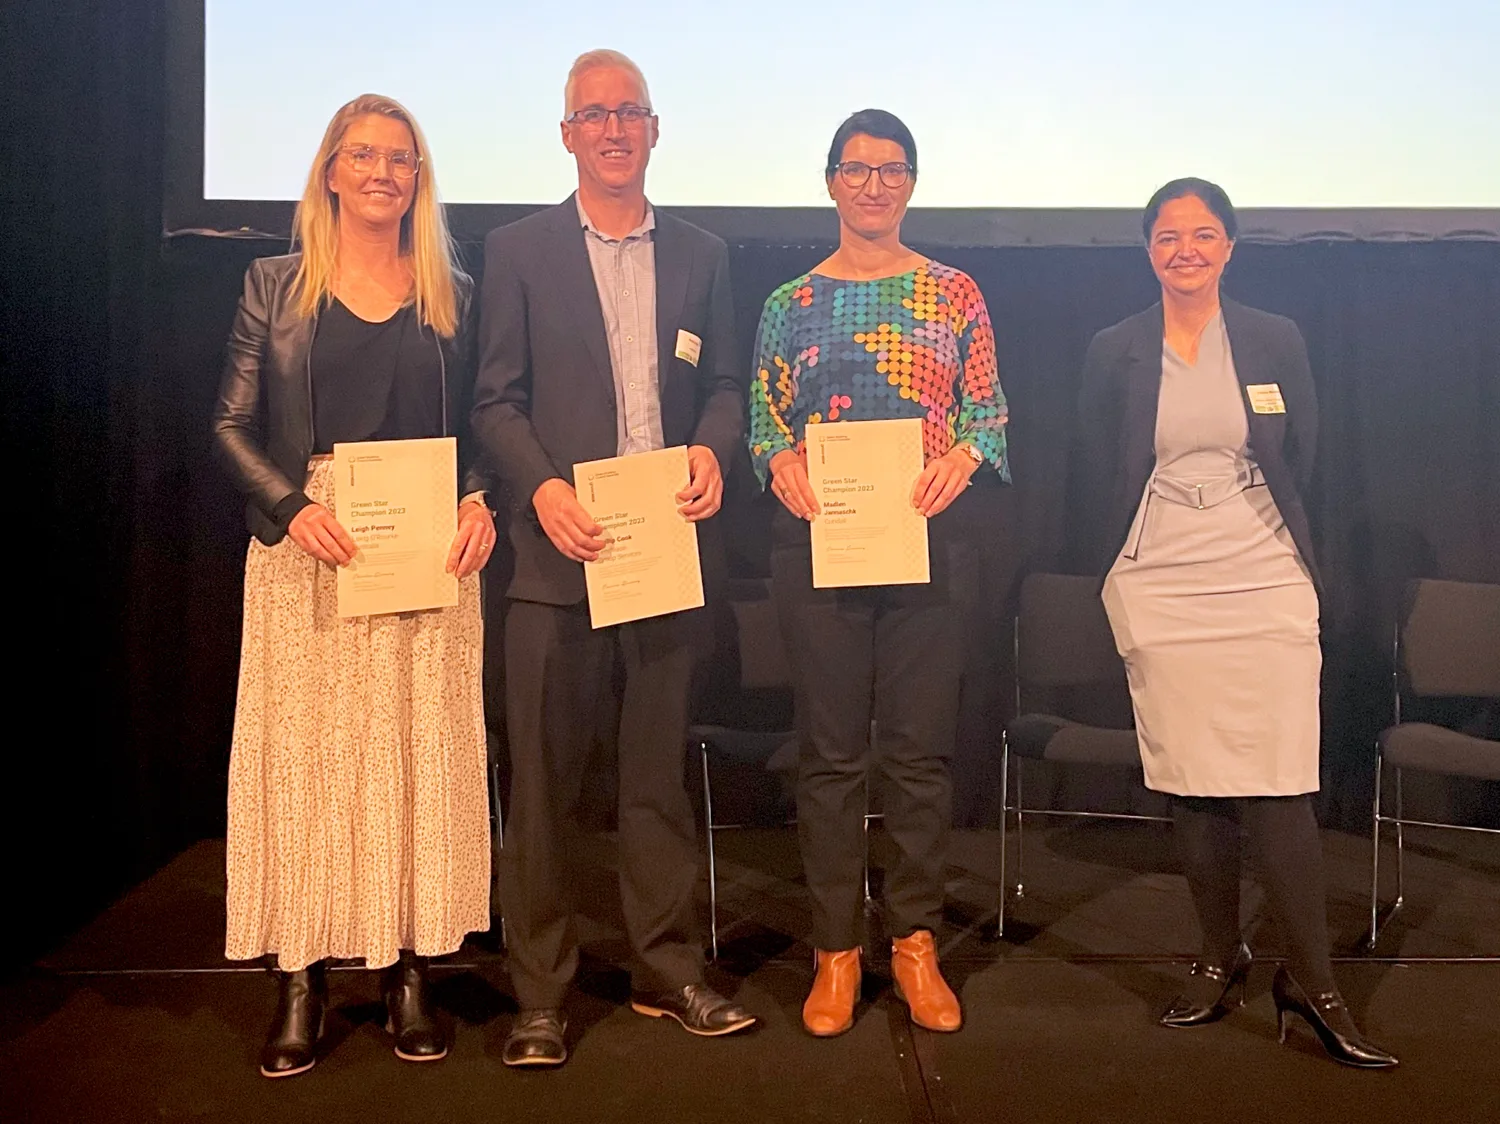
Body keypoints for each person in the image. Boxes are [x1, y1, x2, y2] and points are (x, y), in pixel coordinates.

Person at [1073, 177, 1397, 1068]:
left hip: (1260, 561)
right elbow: (1101, 457)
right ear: (1148, 249)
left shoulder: (1272, 338)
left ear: (1229, 246)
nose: (1186, 249)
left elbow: (1304, 449)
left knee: (1281, 775)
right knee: (1193, 774)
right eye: (1169, 236)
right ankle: (1220, 957)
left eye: (1204, 234)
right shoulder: (1115, 349)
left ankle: (1316, 985)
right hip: (1162, 567)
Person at [471, 49, 753, 1068]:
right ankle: (539, 993)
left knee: (656, 780)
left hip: (664, 553)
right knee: (542, 786)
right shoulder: (517, 249)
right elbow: (493, 399)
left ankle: (668, 967)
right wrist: (542, 488)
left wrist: (716, 452)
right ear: (566, 135)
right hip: (555, 563)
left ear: (655, 128)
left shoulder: (704, 253)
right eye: (594, 114)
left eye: (629, 111)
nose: (613, 128)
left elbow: (726, 382)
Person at [211, 93, 496, 1077]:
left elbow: (480, 434)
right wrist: (292, 505)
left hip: (425, 548)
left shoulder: (450, 288)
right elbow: (230, 425)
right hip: (309, 552)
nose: (383, 172)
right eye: (364, 155)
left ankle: (408, 968)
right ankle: (302, 974)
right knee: (311, 760)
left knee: (415, 756)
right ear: (330, 170)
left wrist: (481, 499)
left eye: (402, 159)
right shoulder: (273, 282)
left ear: (419, 179)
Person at [747, 109, 1009, 1037]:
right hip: (822, 545)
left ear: (911, 182)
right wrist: (777, 460)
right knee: (829, 757)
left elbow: (988, 414)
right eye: (856, 169)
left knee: (918, 756)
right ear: (830, 181)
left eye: (891, 169)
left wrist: (962, 461)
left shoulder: (954, 292)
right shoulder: (788, 304)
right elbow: (762, 421)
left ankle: (915, 944)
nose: (874, 185)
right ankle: (834, 952)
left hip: (928, 546)